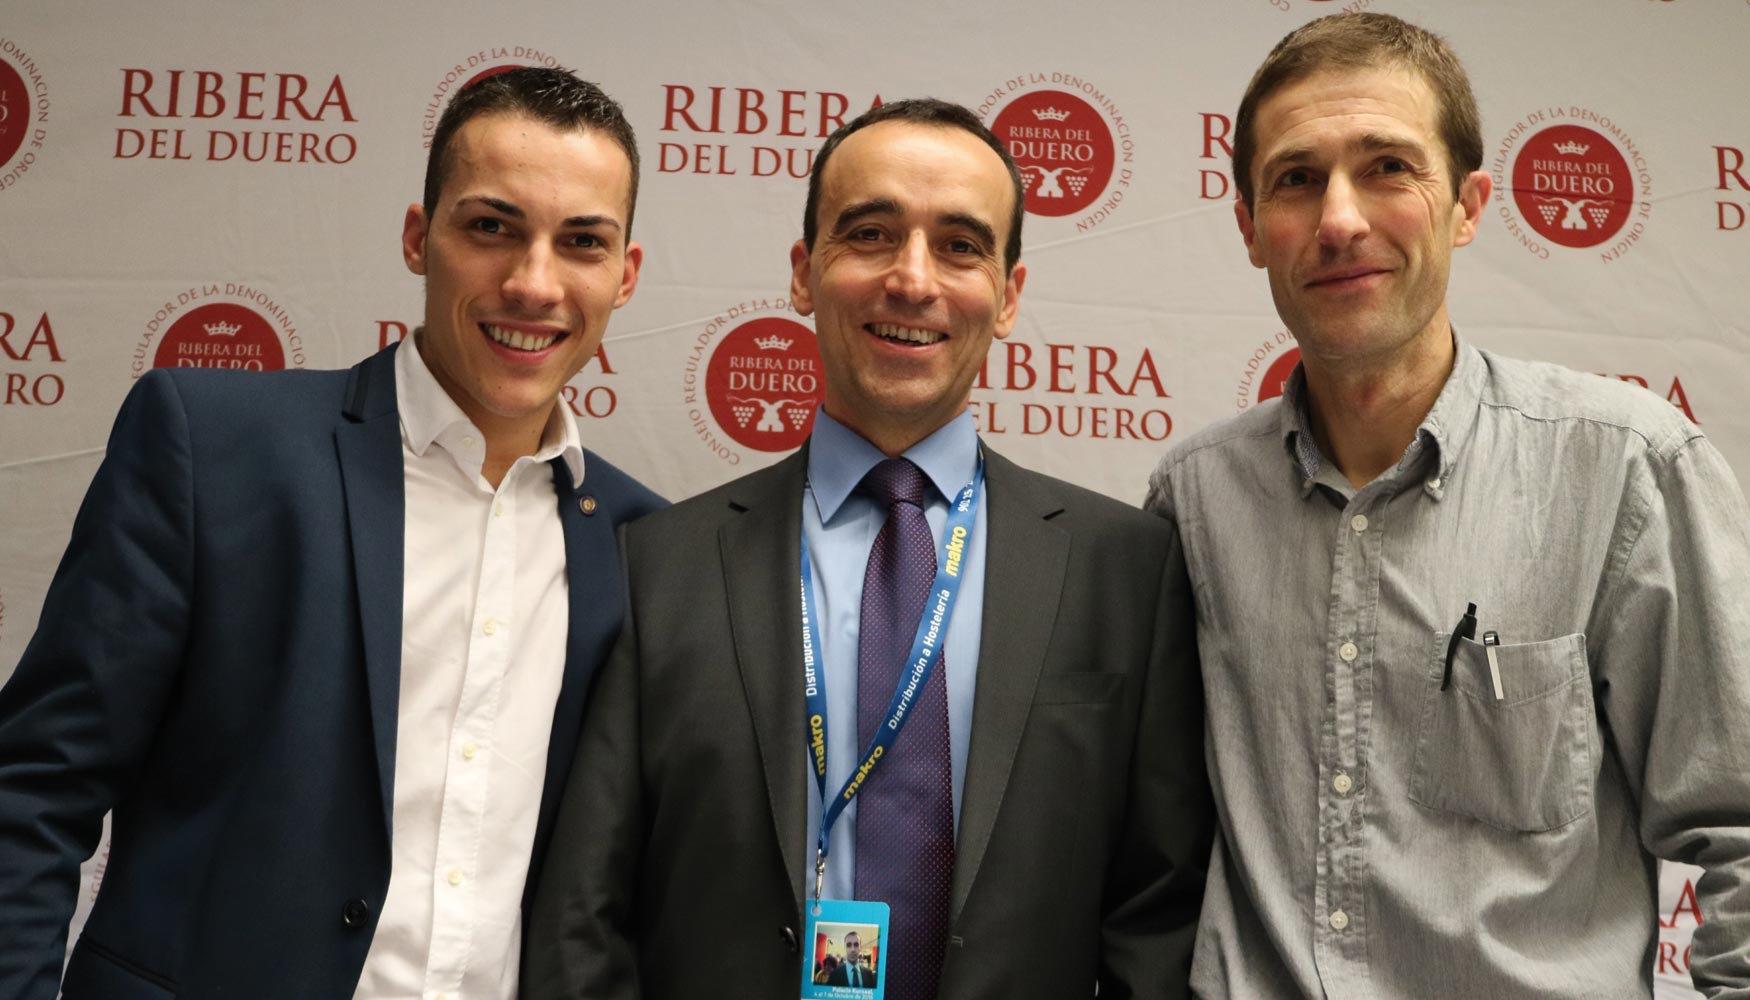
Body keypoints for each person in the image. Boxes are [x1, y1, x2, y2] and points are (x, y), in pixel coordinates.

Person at [523, 98, 1212, 1000]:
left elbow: (1157, 916)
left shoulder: (1124, 570)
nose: (913, 279)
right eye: (872, 234)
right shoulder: (660, 562)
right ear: (806, 274)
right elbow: (585, 912)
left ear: (1007, 297)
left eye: (961, 246)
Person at [0, 68, 663, 998]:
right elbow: (32, 792)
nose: (532, 281)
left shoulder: (645, 545)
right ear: (416, 237)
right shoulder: (211, 445)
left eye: (582, 243)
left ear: (624, 275)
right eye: (490, 227)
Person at [1145, 12, 1750, 997]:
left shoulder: (1623, 468)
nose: (1340, 219)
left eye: (1386, 166)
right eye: (1297, 178)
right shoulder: (1193, 500)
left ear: (1465, 205)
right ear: (1250, 224)